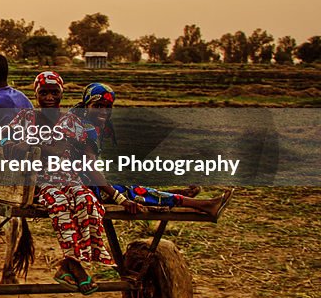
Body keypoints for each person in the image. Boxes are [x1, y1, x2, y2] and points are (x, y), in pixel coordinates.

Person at [3, 71, 141, 295]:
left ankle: (68, 266)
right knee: (58, 205)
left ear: (61, 94)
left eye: (54, 92)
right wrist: (11, 143)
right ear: (36, 94)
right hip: (39, 182)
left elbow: (80, 152)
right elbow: (3, 136)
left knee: (88, 201)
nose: (49, 97)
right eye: (44, 92)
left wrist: (33, 146)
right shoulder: (25, 117)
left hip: (69, 178)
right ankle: (75, 267)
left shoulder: (72, 121)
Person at [72, 82, 231, 217]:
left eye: (108, 107)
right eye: (97, 106)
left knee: (133, 189)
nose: (103, 111)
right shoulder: (86, 130)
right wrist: (120, 199)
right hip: (86, 189)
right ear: (86, 106)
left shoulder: (86, 125)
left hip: (86, 184)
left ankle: (179, 194)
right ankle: (203, 205)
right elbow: (90, 169)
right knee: (134, 192)